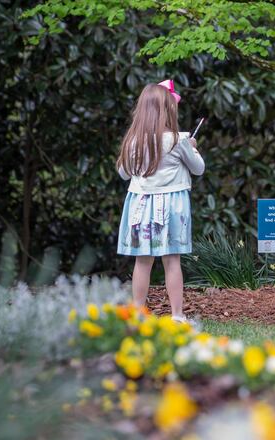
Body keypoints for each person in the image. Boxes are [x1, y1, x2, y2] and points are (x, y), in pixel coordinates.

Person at [116, 80, 204, 323]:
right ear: (168, 111)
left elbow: (124, 173)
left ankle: (137, 313)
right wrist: (193, 148)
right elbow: (198, 169)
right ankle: (177, 315)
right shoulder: (179, 141)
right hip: (172, 210)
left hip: (140, 209)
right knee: (172, 260)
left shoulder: (134, 142)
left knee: (142, 262)